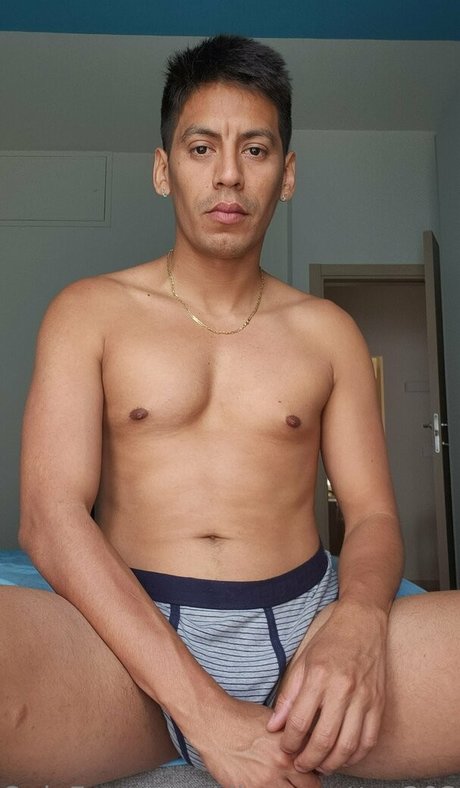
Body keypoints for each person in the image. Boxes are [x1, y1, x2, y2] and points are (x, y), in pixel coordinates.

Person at [1, 33, 460, 788]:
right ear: (163, 169)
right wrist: (207, 716)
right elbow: (49, 518)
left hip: (307, 630)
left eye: (255, 149)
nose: (228, 174)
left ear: (287, 174)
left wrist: (357, 624)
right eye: (201, 147)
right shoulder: (88, 313)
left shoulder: (329, 332)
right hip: (126, 650)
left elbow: (374, 515)